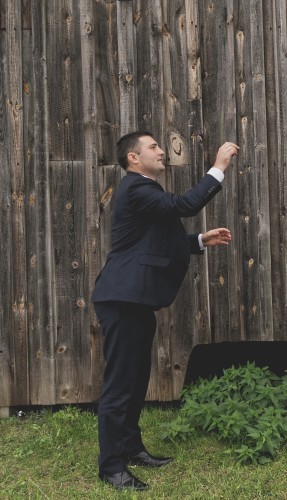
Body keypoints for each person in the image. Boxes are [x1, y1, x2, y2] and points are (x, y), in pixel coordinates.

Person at [91, 131, 239, 490]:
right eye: (153, 147)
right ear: (133, 158)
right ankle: (111, 467)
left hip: (134, 301)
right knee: (120, 385)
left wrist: (199, 241)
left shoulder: (144, 192)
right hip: (122, 299)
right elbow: (184, 205)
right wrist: (218, 167)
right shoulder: (137, 188)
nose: (161, 152)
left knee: (136, 380)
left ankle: (131, 449)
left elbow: (153, 242)